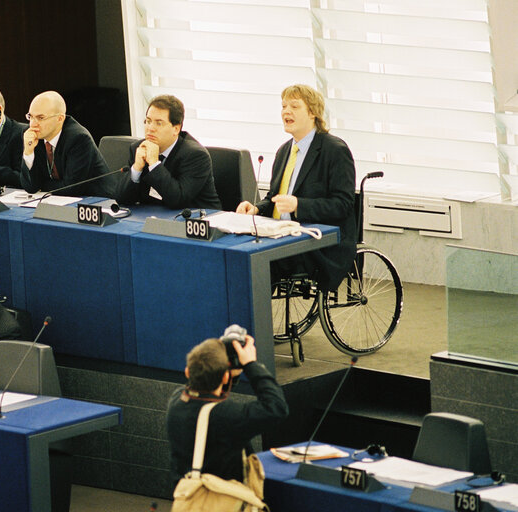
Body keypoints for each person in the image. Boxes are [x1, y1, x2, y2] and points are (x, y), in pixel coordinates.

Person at [236, 84, 356, 291]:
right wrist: (257, 208)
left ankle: (252, 321)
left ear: (312, 112)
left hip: (314, 241)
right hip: (277, 234)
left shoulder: (334, 150)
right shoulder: (284, 151)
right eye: (283, 106)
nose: (286, 112)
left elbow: (343, 205)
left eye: (294, 106)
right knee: (233, 253)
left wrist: (299, 205)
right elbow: (274, 197)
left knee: (255, 265)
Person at [166, 335, 288, 486]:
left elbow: (208, 393)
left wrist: (228, 374)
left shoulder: (177, 400)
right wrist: (250, 364)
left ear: (187, 372)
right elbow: (276, 407)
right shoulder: (225, 416)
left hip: (190, 500)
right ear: (225, 377)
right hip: (224, 501)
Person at [116, 94, 221, 210]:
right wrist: (136, 168)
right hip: (153, 219)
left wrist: (154, 164)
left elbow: (178, 199)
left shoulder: (196, 156)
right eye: (148, 121)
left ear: (176, 129)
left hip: (197, 222)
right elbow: (121, 199)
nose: (150, 128)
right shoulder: (139, 148)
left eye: (159, 123)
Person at [20, 90, 114, 197]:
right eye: (30, 116)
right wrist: (28, 152)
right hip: (59, 200)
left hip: (96, 200)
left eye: (40, 118)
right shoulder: (31, 135)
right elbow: (30, 187)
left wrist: (41, 185)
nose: (33, 124)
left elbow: (71, 188)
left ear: (60, 118)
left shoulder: (78, 138)